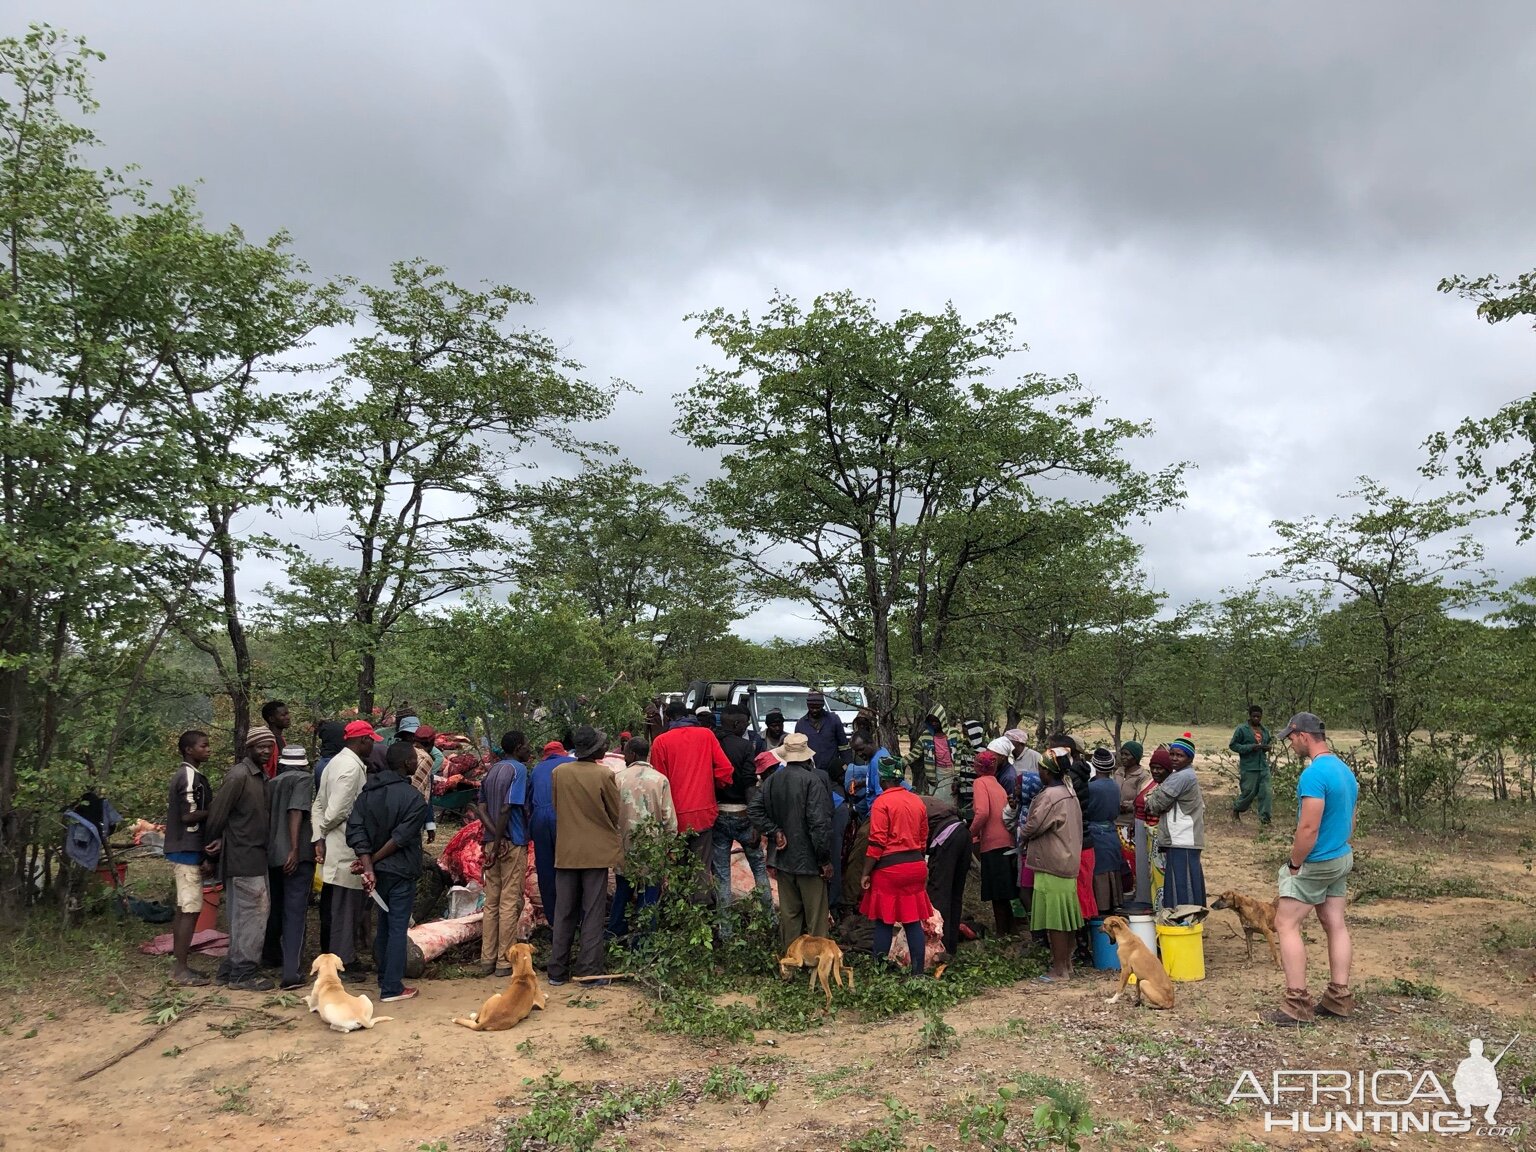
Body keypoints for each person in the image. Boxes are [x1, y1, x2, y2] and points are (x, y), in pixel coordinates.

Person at [1268, 712, 1358, 1027]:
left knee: (1285, 922)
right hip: (1341, 856)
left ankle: (1296, 1003)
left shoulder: (1314, 774)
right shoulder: (1345, 771)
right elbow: (1351, 821)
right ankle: (1338, 998)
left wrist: (1295, 863)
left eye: (1291, 738)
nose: (1290, 744)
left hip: (1318, 860)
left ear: (1304, 736)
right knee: (1334, 922)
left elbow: (1308, 827)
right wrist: (1338, 845)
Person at [346, 741, 430, 1003]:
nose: (418, 763)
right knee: (396, 927)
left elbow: (355, 830)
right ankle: (392, 987)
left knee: (383, 923)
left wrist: (368, 863)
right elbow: (401, 837)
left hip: (379, 872)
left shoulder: (367, 794)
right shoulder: (414, 798)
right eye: (415, 759)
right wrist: (371, 862)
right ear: (406, 764)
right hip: (400, 870)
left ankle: (384, 976)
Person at [548, 726, 622, 986]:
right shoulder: (604, 774)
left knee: (564, 910)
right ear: (596, 750)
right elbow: (616, 812)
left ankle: (557, 970)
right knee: (592, 912)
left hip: (566, 851)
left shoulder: (559, 772)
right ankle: (589, 972)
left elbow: (558, 807)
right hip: (595, 852)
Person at [206, 726, 276, 991]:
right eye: (260, 746)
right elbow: (217, 814)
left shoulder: (260, 776)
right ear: (249, 748)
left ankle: (232, 968)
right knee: (251, 915)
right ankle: (244, 973)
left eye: (269, 746)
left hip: (254, 855)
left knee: (247, 914)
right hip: (243, 857)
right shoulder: (239, 775)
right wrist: (213, 846)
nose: (266, 751)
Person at [748, 733, 833, 949]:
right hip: (809, 861)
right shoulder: (813, 781)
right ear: (807, 757)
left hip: (784, 859)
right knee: (816, 919)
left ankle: (790, 962)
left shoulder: (773, 780)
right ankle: (816, 964)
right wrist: (824, 860)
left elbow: (754, 810)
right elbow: (818, 824)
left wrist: (774, 831)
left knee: (790, 914)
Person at [312, 720, 377, 977]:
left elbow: (318, 803)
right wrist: (325, 830)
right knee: (345, 907)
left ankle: (338, 958)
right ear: (362, 741)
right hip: (345, 845)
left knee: (336, 906)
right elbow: (337, 809)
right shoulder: (350, 768)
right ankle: (343, 961)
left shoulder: (335, 762)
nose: (373, 745)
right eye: (371, 740)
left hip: (335, 844)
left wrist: (319, 835)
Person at [650, 701, 734, 898]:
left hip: (675, 817)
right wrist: (713, 787)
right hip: (704, 814)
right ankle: (701, 915)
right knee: (701, 867)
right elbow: (725, 770)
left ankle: (678, 912)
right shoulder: (706, 735)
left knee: (676, 867)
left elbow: (658, 782)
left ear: (668, 718)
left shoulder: (661, 742)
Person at [1018, 744, 1085, 982]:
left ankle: (1058, 970)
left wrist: (1020, 833)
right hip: (1068, 860)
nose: (1039, 774)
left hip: (1053, 863)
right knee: (1066, 918)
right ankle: (1066, 965)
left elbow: (1033, 825)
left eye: (1040, 769)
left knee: (1055, 920)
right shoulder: (1069, 791)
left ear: (1047, 771)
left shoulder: (1050, 795)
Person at [861, 759, 932, 975]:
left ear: (883, 779)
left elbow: (877, 842)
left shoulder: (882, 803)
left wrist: (865, 872)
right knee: (912, 920)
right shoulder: (917, 801)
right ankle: (918, 973)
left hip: (890, 870)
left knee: (884, 921)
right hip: (916, 866)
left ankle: (879, 972)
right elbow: (922, 839)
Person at [609, 736, 677, 943]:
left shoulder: (618, 778)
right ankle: (645, 938)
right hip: (653, 847)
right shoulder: (660, 780)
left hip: (624, 845)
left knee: (623, 888)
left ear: (631, 754)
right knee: (650, 891)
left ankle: (615, 931)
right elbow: (669, 819)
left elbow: (610, 814)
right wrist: (669, 846)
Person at [474, 731, 531, 976]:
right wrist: (500, 840)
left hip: (491, 842)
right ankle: (504, 961)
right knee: (509, 901)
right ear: (518, 748)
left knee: (492, 902)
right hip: (511, 841)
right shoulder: (518, 770)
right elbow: (508, 807)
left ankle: (486, 959)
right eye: (527, 746)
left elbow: (481, 807)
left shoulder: (492, 771)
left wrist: (492, 837)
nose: (529, 751)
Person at [712, 706, 772, 936]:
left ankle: (725, 930)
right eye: (746, 724)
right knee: (759, 868)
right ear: (736, 724)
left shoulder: (712, 744)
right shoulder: (745, 746)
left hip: (718, 814)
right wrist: (757, 822)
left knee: (722, 875)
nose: (747, 728)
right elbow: (749, 783)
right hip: (742, 814)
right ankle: (769, 921)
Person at [262, 745, 315, 991]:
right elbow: (296, 811)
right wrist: (294, 848)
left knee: (276, 908)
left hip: (273, 854)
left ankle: (271, 955)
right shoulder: (304, 780)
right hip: (297, 856)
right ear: (304, 764)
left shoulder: (272, 783)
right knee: (295, 912)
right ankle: (291, 972)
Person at [164, 730, 214, 986]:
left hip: (190, 848)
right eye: (203, 746)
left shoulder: (195, 775)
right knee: (189, 908)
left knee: (187, 908)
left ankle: (181, 965)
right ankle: (180, 970)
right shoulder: (187, 775)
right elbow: (188, 816)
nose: (208, 749)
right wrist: (217, 810)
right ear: (188, 750)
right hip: (185, 849)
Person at [1144, 734, 1207, 911]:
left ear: (1189, 758)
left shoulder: (1181, 777)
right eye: (1172, 754)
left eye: (1179, 755)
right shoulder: (1182, 775)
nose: (1174, 759)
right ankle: (1191, 920)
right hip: (1184, 838)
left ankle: (1186, 922)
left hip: (1182, 838)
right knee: (1187, 882)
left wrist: (1151, 798)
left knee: (1182, 885)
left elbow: (1155, 804)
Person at [969, 750, 1016, 935]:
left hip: (992, 841)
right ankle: (1011, 929)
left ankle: (1002, 932)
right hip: (1006, 839)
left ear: (977, 767)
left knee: (997, 892)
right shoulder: (997, 784)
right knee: (1005, 890)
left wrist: (970, 832)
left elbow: (982, 812)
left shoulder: (980, 783)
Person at [921, 792, 970, 959]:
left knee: (939, 893)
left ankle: (938, 947)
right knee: (955, 895)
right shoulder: (924, 801)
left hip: (947, 838)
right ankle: (950, 947)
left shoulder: (908, 807)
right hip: (963, 834)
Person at [529, 739, 572, 924]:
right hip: (562, 816)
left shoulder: (537, 769)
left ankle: (554, 919)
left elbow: (529, 800)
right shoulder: (571, 764)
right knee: (569, 867)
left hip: (539, 818)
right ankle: (572, 916)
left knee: (546, 870)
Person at [1084, 747, 1124, 916]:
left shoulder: (1091, 788)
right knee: (1112, 874)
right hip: (1111, 836)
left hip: (1096, 838)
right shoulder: (1114, 786)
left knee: (1099, 875)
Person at [392, 715, 437, 844]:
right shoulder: (425, 758)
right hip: (408, 812)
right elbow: (419, 792)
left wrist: (429, 823)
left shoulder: (411, 755)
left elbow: (426, 790)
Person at [1230, 705, 1274, 826]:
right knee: (1249, 792)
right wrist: (1250, 747)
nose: (1256, 719)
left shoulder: (1264, 730)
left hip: (1263, 766)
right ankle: (1236, 809)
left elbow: (1267, 743)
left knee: (1267, 792)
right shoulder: (1242, 729)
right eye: (1254, 716)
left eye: (1258, 717)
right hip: (1249, 766)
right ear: (1249, 716)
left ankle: (1265, 820)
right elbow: (1233, 745)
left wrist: (1266, 748)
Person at [794, 691, 849, 777]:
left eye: (817, 707)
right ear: (808, 706)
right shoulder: (800, 725)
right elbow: (798, 752)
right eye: (812, 707)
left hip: (833, 773)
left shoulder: (834, 720)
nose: (814, 710)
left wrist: (847, 767)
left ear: (823, 705)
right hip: (811, 773)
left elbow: (844, 746)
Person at [1115, 741, 1149, 827]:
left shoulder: (1143, 776)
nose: (1123, 757)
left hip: (1129, 823)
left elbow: (1142, 801)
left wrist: (1126, 806)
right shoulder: (1118, 772)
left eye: (1127, 755)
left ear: (1136, 757)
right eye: (1122, 754)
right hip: (1114, 820)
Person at [258, 701, 291, 779]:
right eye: (283, 715)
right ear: (272, 719)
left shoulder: (281, 739)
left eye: (287, 714)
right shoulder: (266, 741)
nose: (288, 717)